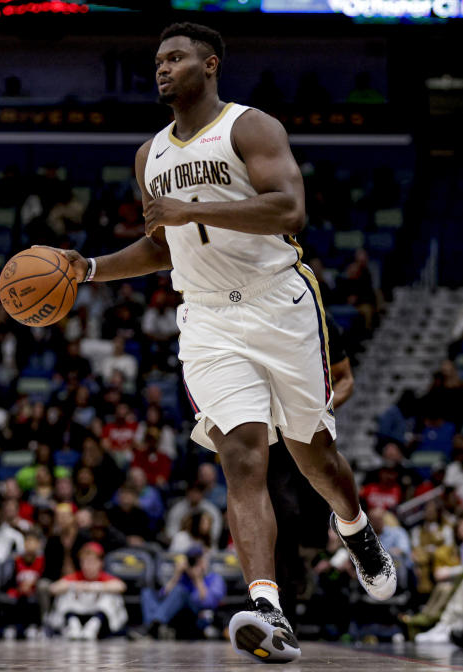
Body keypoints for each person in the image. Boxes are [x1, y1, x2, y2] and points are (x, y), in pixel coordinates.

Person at [52, 22, 394, 663]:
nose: (162, 68)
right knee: (242, 456)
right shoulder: (149, 154)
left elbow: (289, 211)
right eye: (157, 60)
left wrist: (194, 210)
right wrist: (91, 267)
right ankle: (269, 608)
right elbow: (162, 246)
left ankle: (355, 527)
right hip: (207, 318)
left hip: (280, 303)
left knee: (314, 454)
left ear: (209, 66)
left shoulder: (250, 127)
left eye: (175, 58)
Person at [132, 544, 226, 640]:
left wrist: (198, 579)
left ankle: (150, 628)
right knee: (147, 592)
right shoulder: (182, 577)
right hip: (176, 615)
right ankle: (153, 627)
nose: (196, 563)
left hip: (198, 617)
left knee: (180, 590)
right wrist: (176, 576)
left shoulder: (214, 578)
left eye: (199, 560)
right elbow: (163, 597)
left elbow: (208, 603)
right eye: (193, 561)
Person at [48, 541, 127, 640]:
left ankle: (94, 626)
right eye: (85, 562)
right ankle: (72, 625)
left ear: (100, 563)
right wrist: (74, 586)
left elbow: (121, 586)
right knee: (65, 594)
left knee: (111, 596)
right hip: (77, 613)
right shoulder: (77, 576)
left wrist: (95, 587)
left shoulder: (104, 576)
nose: (88, 566)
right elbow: (53, 588)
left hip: (99, 617)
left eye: (92, 562)